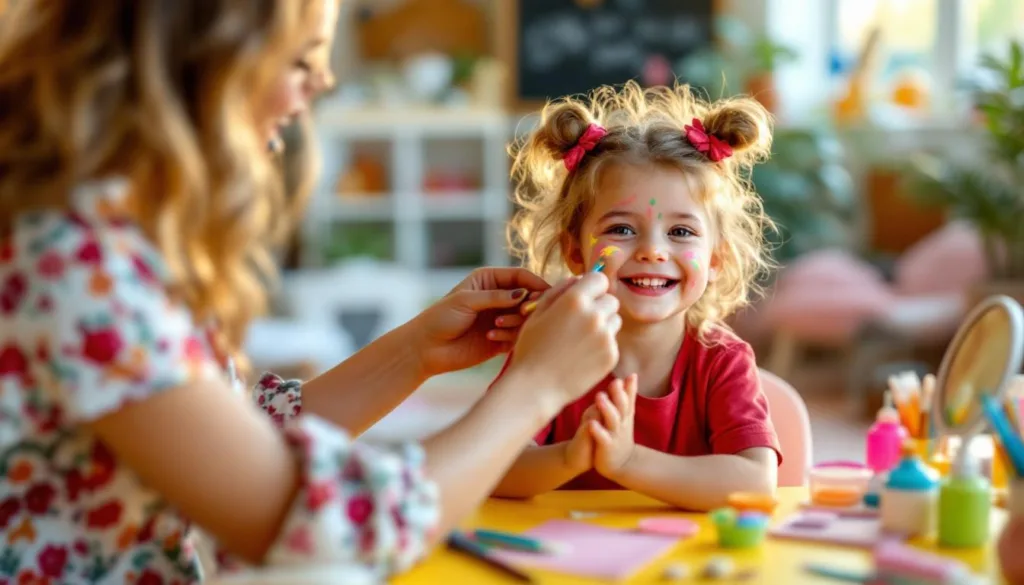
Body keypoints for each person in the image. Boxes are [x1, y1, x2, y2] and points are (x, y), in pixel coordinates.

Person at [0, 1, 621, 582]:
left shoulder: (104, 235)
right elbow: (327, 525)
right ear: (202, 63)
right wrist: (534, 387)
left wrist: (414, 354)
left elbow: (239, 445)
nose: (322, 84)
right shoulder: (78, 260)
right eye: (302, 59)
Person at [491, 81, 782, 511]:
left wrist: (627, 461)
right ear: (576, 251)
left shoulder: (722, 361)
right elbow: (493, 466)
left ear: (717, 258)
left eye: (681, 232)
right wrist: (572, 456)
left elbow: (756, 482)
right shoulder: (549, 344)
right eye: (621, 229)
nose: (652, 250)